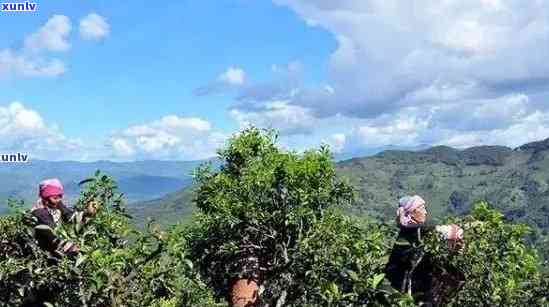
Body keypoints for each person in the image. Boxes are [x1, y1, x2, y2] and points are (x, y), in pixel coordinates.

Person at [384, 195, 465, 306]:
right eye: (422, 209)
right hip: (411, 290)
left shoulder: (409, 231)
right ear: (413, 212)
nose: (426, 212)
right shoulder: (416, 231)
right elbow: (453, 232)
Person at [31, 178, 97, 256]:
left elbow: (69, 216)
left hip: (57, 239)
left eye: (60, 196)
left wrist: (87, 213)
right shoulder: (40, 212)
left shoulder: (55, 203)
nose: (59, 200)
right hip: (46, 245)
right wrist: (70, 247)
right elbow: (53, 233)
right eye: (55, 198)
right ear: (45, 198)